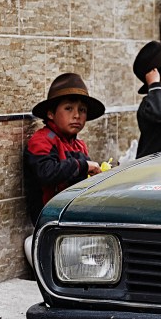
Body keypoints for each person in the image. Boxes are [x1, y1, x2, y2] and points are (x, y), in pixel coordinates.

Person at [23, 73, 105, 263]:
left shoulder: (79, 145)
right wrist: (84, 166)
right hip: (51, 220)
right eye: (69, 108)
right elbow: (47, 173)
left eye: (82, 110)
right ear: (51, 113)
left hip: (75, 216)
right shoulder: (41, 140)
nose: (77, 115)